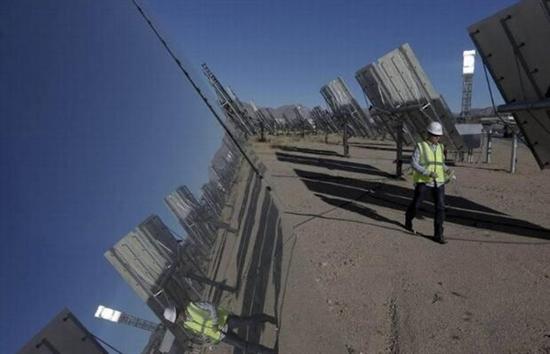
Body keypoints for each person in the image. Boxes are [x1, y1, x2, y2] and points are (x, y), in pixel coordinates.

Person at [163, 301, 277, 354]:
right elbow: (203, 333)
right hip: (220, 335)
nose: (179, 319)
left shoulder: (193, 306)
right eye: (176, 320)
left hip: (225, 321)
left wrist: (214, 323)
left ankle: (267, 318)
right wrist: (212, 341)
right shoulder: (186, 325)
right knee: (243, 346)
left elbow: (211, 307)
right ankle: (270, 352)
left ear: (178, 311)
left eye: (177, 316)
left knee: (248, 321)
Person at [405, 121, 453, 244]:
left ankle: (439, 234)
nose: (437, 138)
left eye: (439, 136)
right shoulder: (420, 146)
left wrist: (447, 171)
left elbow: (440, 163)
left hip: (439, 183)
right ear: (429, 134)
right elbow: (413, 163)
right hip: (424, 182)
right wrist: (427, 173)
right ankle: (408, 218)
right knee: (416, 205)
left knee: (440, 208)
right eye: (435, 135)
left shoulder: (441, 147)